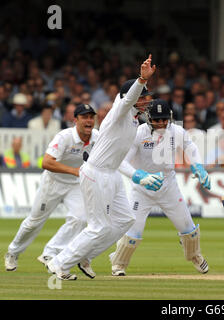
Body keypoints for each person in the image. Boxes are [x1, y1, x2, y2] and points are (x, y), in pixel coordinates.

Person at [46, 55, 156, 280]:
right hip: (95, 172)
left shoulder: (135, 120)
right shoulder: (120, 111)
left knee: (125, 220)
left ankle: (85, 256)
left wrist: (136, 176)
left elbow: (119, 158)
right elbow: (127, 100)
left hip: (111, 174)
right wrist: (141, 81)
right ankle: (59, 263)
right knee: (98, 226)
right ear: (131, 97)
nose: (146, 102)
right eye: (143, 98)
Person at [110, 99, 210, 276]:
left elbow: (190, 147)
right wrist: (138, 176)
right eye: (157, 120)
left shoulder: (177, 131)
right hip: (142, 188)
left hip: (168, 185)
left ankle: (195, 256)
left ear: (169, 118)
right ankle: (119, 264)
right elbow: (122, 162)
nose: (161, 123)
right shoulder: (138, 133)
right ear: (149, 118)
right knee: (133, 233)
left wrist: (198, 166)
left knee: (188, 228)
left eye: (164, 119)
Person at [4, 104, 98, 277]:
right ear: (75, 120)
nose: (89, 120)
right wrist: (74, 171)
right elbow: (46, 163)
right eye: (84, 117)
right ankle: (13, 252)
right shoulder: (64, 137)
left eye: (91, 117)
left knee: (79, 218)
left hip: (76, 184)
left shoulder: (97, 137)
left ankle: (51, 253)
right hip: (53, 182)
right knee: (34, 222)